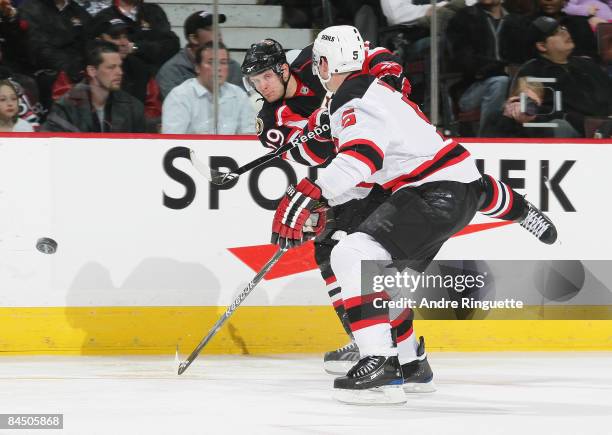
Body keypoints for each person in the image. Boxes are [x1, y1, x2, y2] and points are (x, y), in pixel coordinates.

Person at [514, 16, 612, 136]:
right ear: (542, 46)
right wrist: (570, 118)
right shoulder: (533, 70)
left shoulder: (587, 64)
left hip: (605, 125)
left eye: (563, 28)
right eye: (556, 33)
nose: (565, 33)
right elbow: (529, 112)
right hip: (571, 130)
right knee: (560, 126)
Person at [42, 40, 145, 132]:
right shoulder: (66, 107)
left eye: (119, 66)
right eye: (111, 67)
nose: (120, 72)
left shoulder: (133, 107)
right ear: (92, 71)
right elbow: (51, 145)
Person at [446, 0, 512, 137]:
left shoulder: (515, 20)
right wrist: (502, 68)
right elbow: (464, 61)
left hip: (513, 85)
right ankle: (489, 139)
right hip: (470, 89)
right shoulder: (464, 18)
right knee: (500, 82)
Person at [161, 42, 254, 134]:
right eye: (211, 62)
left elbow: (249, 136)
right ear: (197, 67)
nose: (218, 68)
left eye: (223, 62)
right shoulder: (179, 97)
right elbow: (173, 141)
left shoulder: (239, 95)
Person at [19, 0, 93, 110]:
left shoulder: (77, 10)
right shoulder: (30, 9)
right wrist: (73, 70)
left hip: (82, 72)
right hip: (51, 74)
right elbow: (39, 49)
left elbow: (91, 43)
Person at [156, 10, 243, 100]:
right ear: (194, 39)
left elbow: (240, 104)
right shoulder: (172, 71)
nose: (218, 33)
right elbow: (177, 107)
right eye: (210, 29)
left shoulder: (232, 67)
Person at [92, 0, 179, 73]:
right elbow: (94, 49)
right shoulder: (104, 16)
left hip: (155, 78)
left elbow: (172, 45)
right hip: (121, 78)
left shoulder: (153, 11)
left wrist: (135, 47)